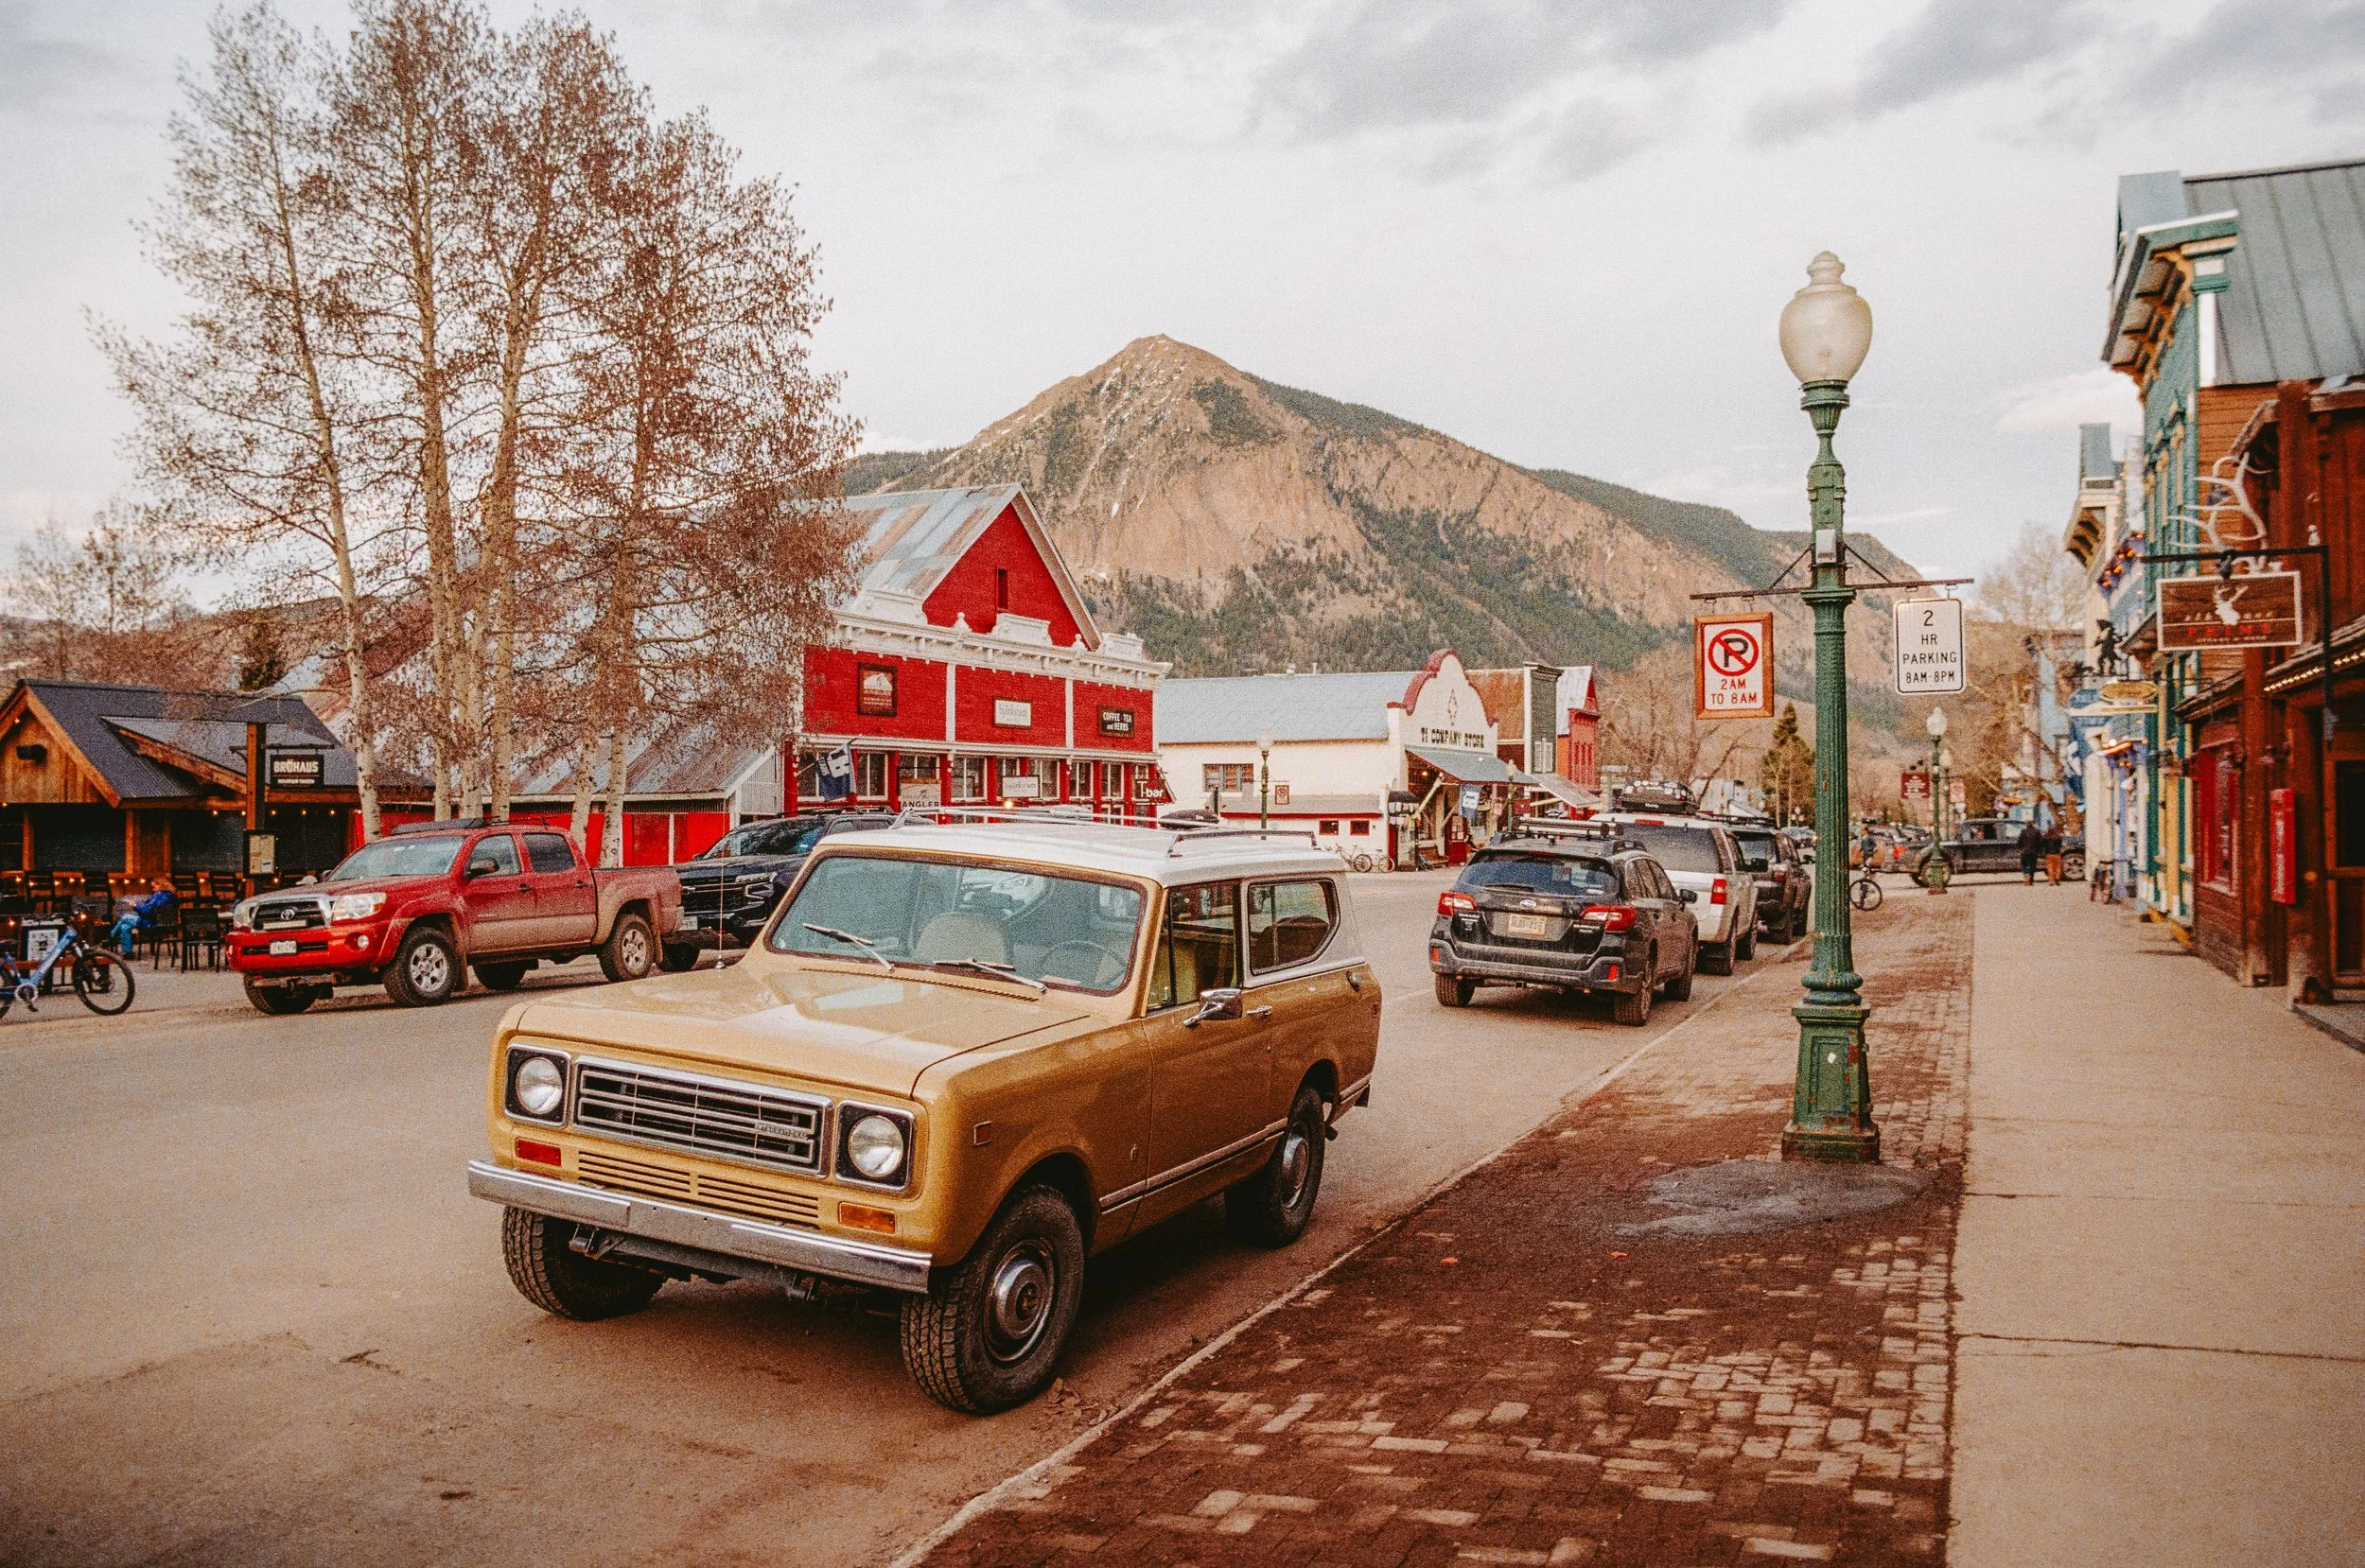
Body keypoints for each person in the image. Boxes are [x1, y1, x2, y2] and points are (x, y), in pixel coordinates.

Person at [2017, 819, 2041, 885]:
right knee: (2032, 866)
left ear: (2026, 825)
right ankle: (2031, 881)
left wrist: (2020, 848)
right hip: (2034, 852)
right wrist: (2038, 850)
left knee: (2024, 865)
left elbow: (2019, 841)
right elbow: (2039, 842)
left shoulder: (2023, 831)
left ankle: (2026, 875)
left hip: (2024, 851)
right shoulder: (2037, 831)